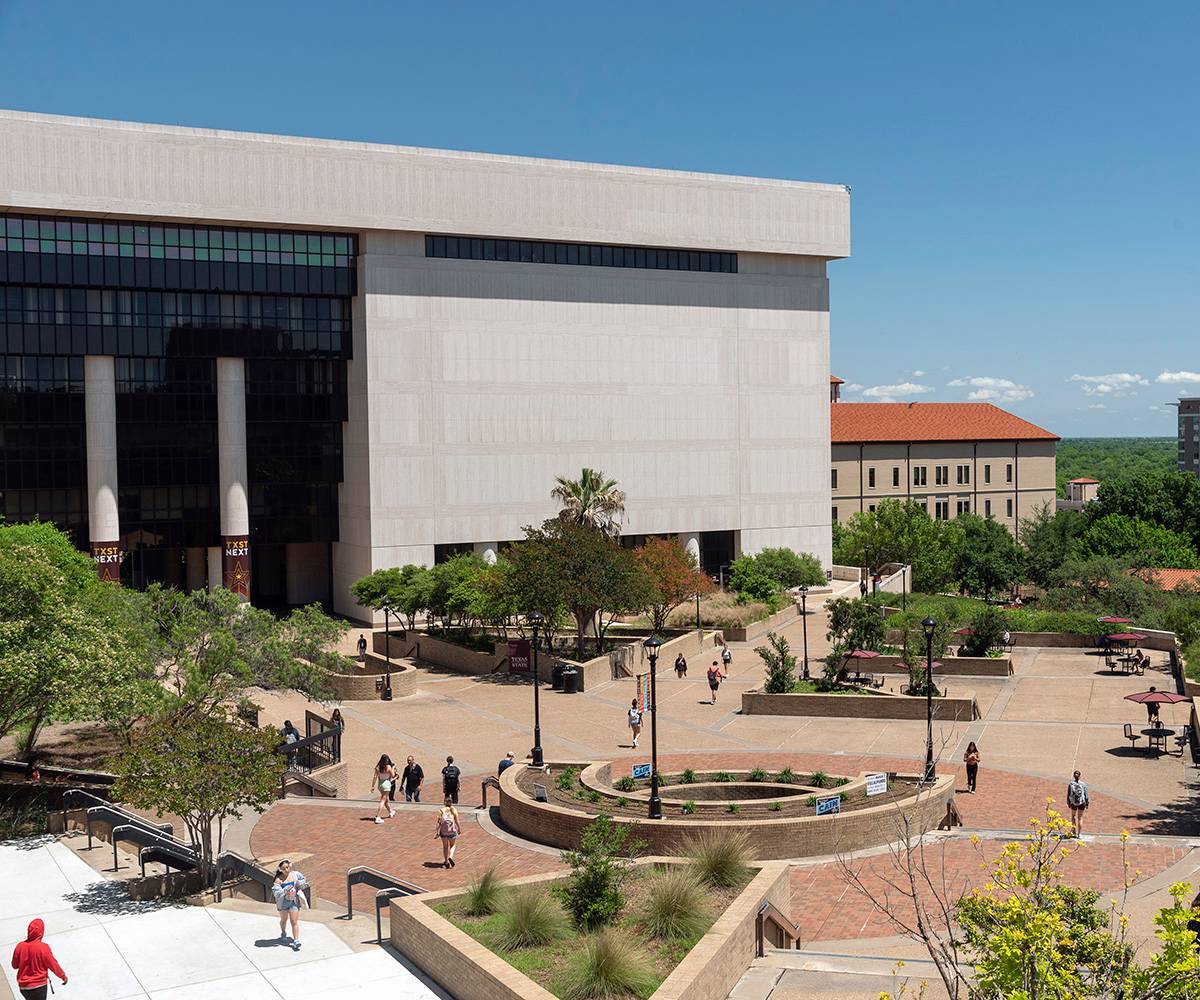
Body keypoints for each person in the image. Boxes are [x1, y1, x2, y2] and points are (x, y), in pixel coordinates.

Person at [11, 918, 67, 1000]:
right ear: (41, 932)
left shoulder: (20, 946)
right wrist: (63, 976)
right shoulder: (43, 947)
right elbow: (53, 965)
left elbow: (14, 965)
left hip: (24, 988)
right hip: (39, 986)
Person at [271, 860, 307, 951]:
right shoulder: (278, 880)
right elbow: (276, 893)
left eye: (287, 867)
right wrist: (285, 890)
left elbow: (303, 879)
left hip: (294, 901)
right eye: (284, 869)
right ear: (280, 870)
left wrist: (299, 884)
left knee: (294, 921)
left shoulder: (295, 874)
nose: (286, 870)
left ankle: (296, 940)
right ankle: (283, 933)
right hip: (283, 903)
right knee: (284, 920)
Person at [371, 754, 397, 824]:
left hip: (380, 784)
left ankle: (391, 811)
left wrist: (372, 786)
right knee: (383, 800)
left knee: (386, 800)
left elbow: (375, 777)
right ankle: (378, 817)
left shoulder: (377, 767)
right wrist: (393, 767)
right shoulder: (388, 767)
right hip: (386, 784)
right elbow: (393, 775)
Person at [435, 797, 461, 868]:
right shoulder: (454, 810)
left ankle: (446, 861)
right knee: (452, 845)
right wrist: (459, 829)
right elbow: (456, 821)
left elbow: (438, 823)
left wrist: (437, 832)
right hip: (452, 831)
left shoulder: (441, 811)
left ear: (444, 802)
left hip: (443, 831)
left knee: (445, 846)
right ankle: (451, 857)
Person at [1067, 770, 1089, 838]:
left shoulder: (1071, 784)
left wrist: (1068, 802)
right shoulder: (1083, 784)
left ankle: (1073, 831)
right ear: (1080, 776)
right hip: (1081, 802)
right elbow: (1086, 795)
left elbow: (1068, 794)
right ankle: (1079, 834)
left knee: (1073, 816)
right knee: (1080, 818)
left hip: (1073, 802)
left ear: (1074, 776)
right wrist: (1087, 803)